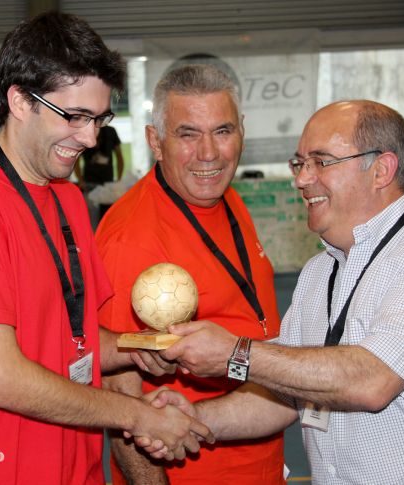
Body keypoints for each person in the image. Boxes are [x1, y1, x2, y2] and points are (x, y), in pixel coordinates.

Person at [148, 99, 404, 484]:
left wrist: (236, 353)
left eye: (321, 162)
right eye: (299, 163)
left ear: (381, 169)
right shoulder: (321, 270)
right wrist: (194, 419)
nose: (301, 179)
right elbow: (288, 393)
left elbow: (371, 381)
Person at [0, 12, 210, 485]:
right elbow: (2, 379)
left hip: (74, 468)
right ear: (20, 102)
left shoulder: (67, 198)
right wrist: (135, 416)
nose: (90, 138)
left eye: (99, 119)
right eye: (75, 117)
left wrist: (139, 347)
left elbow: (76, 340)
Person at [95, 64, 286, 484]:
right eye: (187, 134)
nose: (209, 153)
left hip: (259, 458)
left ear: (242, 131)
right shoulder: (133, 238)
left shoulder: (225, 197)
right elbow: (120, 395)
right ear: (155, 142)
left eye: (222, 131)